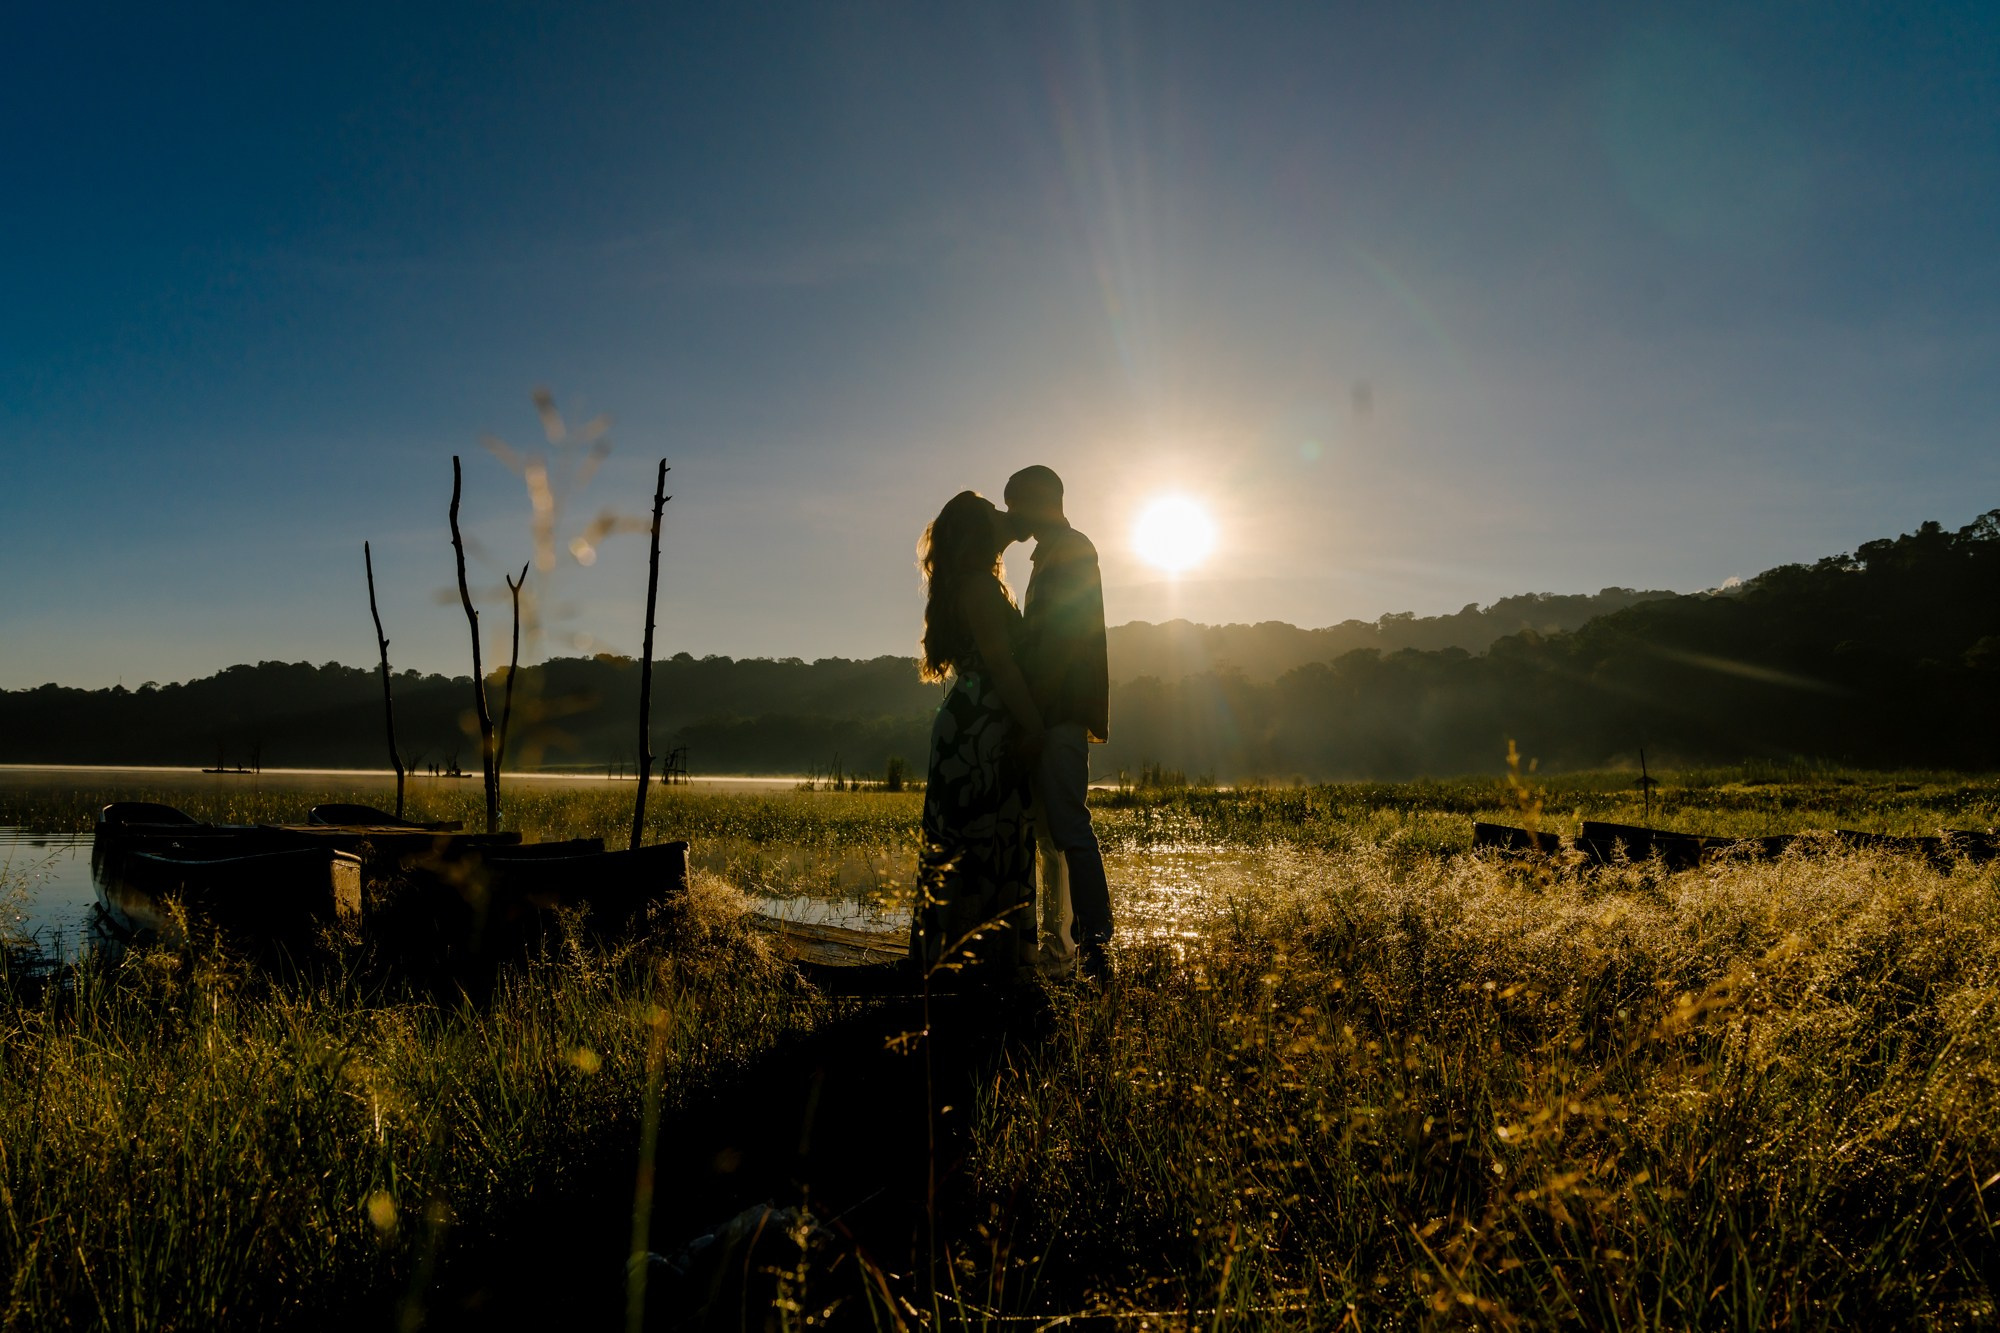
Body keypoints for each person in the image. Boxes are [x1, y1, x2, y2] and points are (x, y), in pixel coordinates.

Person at [908, 490, 1044, 984]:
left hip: (966, 726)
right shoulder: (979, 589)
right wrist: (1034, 726)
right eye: (992, 517)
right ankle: (983, 970)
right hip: (982, 729)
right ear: (976, 534)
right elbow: (1002, 667)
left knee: (965, 845)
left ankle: (958, 964)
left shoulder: (968, 583)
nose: (1002, 519)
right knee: (987, 842)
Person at [1002, 465, 1114, 978]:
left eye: (1015, 504)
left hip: (1060, 713)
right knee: (1052, 835)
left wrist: (1036, 722)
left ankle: (1094, 945)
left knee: (1069, 827)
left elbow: (1064, 642)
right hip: (1052, 712)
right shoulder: (1048, 554)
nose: (1010, 515)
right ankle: (1061, 949)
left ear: (1040, 501)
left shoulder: (1071, 549)